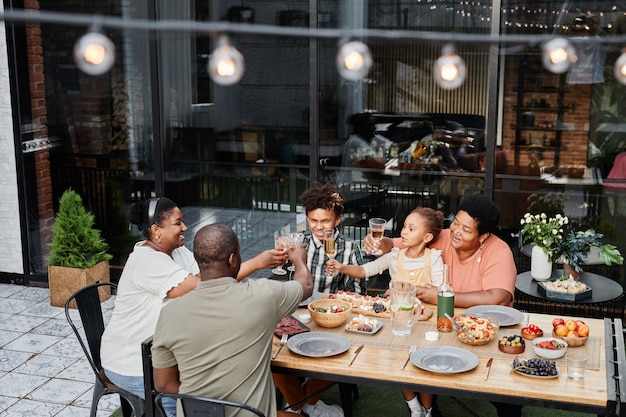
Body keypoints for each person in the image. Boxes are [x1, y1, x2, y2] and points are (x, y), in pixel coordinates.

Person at [100, 197, 289, 417]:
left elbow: (212, 274)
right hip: (134, 363)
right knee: (188, 403)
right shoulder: (146, 261)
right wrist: (258, 263)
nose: (185, 227)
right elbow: (200, 285)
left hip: (167, 352)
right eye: (178, 223)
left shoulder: (176, 251)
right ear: (156, 230)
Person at [364, 194, 519, 417]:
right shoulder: (443, 236)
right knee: (405, 347)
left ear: (483, 236)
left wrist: (444, 295)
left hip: (482, 330)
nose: (456, 231)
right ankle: (428, 409)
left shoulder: (499, 251)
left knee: (506, 395)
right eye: (456, 222)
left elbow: (498, 297)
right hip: (442, 324)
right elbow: (397, 245)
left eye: (466, 229)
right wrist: (380, 243)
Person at [151, 223, 313, 417]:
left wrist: (212, 406)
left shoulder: (170, 313)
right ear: (233, 259)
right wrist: (299, 260)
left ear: (196, 260)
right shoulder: (262, 295)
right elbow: (306, 285)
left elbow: (164, 384)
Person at [328, 207, 445, 417]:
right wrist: (341, 267)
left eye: (411, 228)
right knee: (396, 360)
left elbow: (440, 290)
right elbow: (365, 270)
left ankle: (428, 409)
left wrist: (412, 291)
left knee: (425, 365)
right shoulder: (394, 256)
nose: (404, 232)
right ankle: (414, 407)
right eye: (404, 226)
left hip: (424, 321)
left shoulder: (433, 258)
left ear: (427, 236)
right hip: (398, 321)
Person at [273, 183, 366, 417]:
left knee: (336, 353)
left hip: (330, 318)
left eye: (325, 221)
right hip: (295, 314)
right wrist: (279, 260)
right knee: (271, 355)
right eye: (313, 221)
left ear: (337, 220)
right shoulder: (297, 243)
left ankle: (297, 407)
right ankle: (306, 406)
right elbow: (280, 281)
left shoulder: (347, 249)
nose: (319, 227)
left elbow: (356, 294)